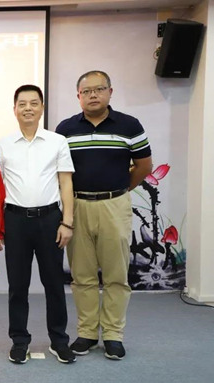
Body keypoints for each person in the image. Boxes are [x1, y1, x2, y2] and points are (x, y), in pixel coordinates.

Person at [56, 71, 152, 360]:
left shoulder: (129, 125)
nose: (93, 95)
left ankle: (113, 335)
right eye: (86, 91)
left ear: (110, 92)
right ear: (79, 96)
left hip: (114, 206)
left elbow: (144, 166)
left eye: (99, 89)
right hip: (77, 206)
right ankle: (87, 332)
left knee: (116, 275)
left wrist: (120, 190)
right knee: (82, 275)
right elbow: (60, 173)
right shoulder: (65, 129)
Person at [0, 84, 76, 364]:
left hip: (50, 220)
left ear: (42, 108)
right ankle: (19, 340)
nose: (28, 108)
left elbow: (66, 183)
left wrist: (67, 222)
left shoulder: (57, 142)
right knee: (18, 285)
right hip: (15, 220)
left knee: (54, 284)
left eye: (33, 103)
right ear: (14, 109)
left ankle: (59, 341)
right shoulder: (2, 145)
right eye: (22, 104)